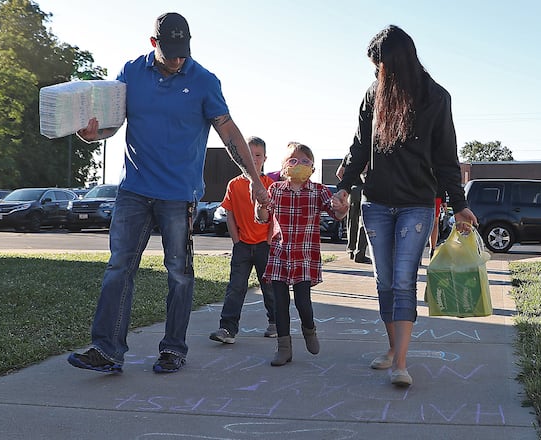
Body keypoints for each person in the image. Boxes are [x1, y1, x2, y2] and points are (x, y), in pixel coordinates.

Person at [68, 12, 269, 374]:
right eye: (170, 51)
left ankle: (173, 349)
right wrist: (92, 135)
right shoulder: (130, 72)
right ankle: (107, 349)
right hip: (134, 189)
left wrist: (254, 179)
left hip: (178, 194)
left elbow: (229, 133)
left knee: (179, 271)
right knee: (119, 268)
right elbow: (111, 125)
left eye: (183, 52)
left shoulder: (204, 81)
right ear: (153, 44)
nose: (178, 59)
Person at [333, 25, 477, 387]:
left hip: (416, 205)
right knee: (384, 282)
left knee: (402, 281)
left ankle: (400, 362)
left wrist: (458, 205)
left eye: (377, 65)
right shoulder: (373, 94)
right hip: (377, 203)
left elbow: (446, 158)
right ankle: (392, 348)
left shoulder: (435, 97)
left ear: (394, 63)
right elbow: (359, 145)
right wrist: (344, 187)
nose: (374, 72)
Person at [257, 142, 348, 367]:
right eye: (293, 160)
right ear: (284, 166)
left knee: (303, 302)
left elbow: (335, 213)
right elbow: (263, 217)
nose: (299, 165)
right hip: (280, 254)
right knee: (280, 303)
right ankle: (284, 347)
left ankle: (309, 329)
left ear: (313, 168)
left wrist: (343, 207)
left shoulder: (318, 191)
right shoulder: (275, 189)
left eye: (305, 161)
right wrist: (260, 206)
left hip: (304, 256)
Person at [209, 137, 277, 344]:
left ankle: (275, 323)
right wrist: (236, 239)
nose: (254, 160)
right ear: (240, 158)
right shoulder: (234, 185)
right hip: (242, 246)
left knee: (270, 286)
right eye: (249, 155)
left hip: (265, 245)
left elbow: (274, 215)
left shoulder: (270, 185)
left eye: (258, 155)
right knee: (236, 287)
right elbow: (228, 213)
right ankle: (227, 329)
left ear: (265, 158)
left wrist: (268, 239)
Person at [336, 154, 371, 264]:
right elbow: (365, 169)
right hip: (365, 188)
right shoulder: (369, 151)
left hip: (352, 190)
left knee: (352, 219)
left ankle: (351, 249)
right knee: (364, 220)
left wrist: (348, 183)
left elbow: (339, 173)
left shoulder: (348, 156)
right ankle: (360, 252)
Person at [429, 187, 447, 258]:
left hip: (421, 193)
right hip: (436, 193)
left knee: (419, 223)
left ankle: (421, 251)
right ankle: (432, 249)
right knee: (435, 223)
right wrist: (443, 200)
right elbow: (441, 180)